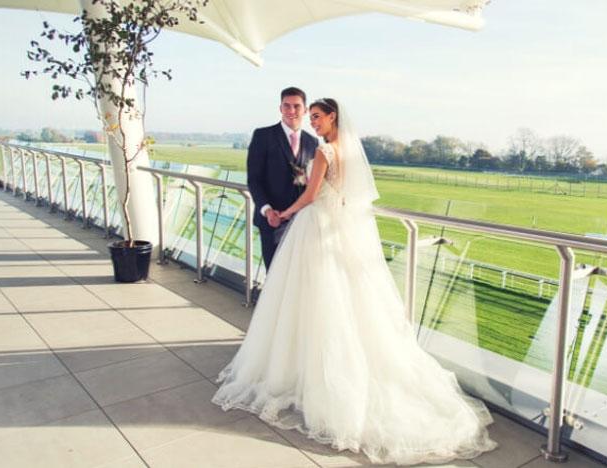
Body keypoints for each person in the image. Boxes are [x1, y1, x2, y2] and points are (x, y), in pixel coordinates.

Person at [213, 98, 497, 465]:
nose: (312, 122)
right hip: (341, 228)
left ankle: (306, 370)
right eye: (309, 117)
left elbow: (313, 195)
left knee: (311, 300)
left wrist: (286, 211)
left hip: (316, 228)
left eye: (316, 116)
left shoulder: (325, 151)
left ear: (332, 117)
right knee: (344, 301)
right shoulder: (348, 149)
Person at [247, 86, 319, 271]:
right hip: (273, 220)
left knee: (297, 274)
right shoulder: (263, 136)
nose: (291, 111)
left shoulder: (313, 142)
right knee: (274, 274)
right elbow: (254, 179)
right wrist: (267, 210)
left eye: (296, 106)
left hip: (302, 221)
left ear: (305, 109)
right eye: (286, 106)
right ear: (280, 108)